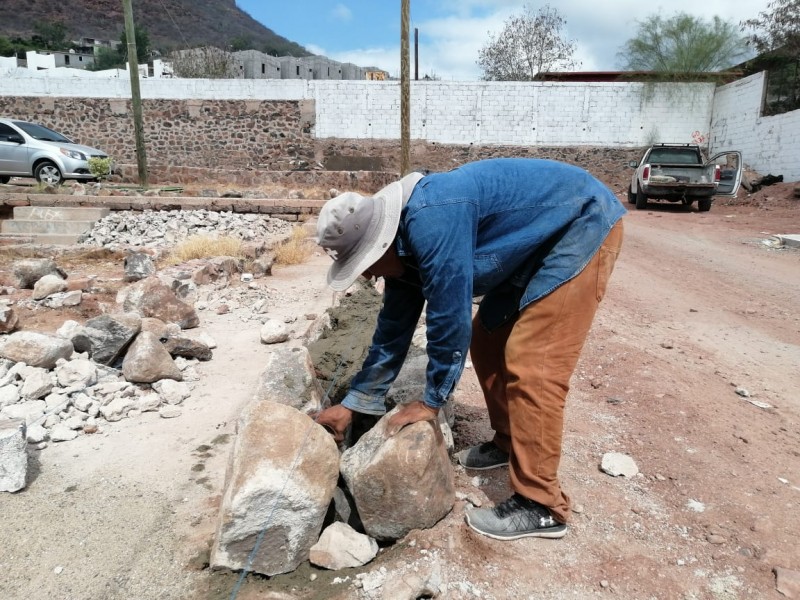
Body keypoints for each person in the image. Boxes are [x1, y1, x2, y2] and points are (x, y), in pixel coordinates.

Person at [314, 158, 625, 540]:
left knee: (534, 365)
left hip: (581, 224)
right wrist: (356, 402)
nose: (367, 275)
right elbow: (393, 328)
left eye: (365, 264)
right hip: (536, 241)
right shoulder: (402, 248)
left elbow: (450, 314)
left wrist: (432, 401)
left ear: (381, 243)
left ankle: (542, 505)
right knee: (488, 337)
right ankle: (509, 442)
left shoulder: (431, 221)